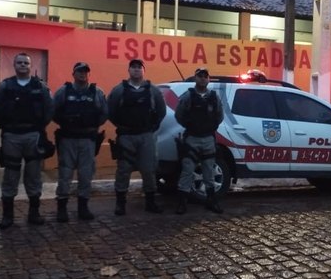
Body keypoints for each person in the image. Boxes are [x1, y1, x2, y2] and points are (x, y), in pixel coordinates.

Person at [0, 52, 54, 229]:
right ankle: (8, 216)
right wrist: (8, 127)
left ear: (30, 65)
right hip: (12, 136)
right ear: (14, 65)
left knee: (33, 175)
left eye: (26, 63)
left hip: (33, 135)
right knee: (11, 175)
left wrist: (39, 127)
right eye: (19, 63)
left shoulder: (40, 86)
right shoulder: (5, 86)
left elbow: (49, 109)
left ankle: (34, 213)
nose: (23, 65)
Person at [107, 59, 167, 215]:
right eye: (133, 67)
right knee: (123, 170)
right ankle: (120, 203)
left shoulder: (153, 90)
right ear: (128, 70)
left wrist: (151, 128)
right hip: (126, 136)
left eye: (139, 67)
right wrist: (122, 127)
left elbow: (161, 112)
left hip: (146, 136)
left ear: (144, 70)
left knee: (148, 170)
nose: (136, 70)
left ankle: (150, 202)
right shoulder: (119, 90)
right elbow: (111, 112)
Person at [52, 62, 108, 222]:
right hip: (68, 139)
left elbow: (104, 113)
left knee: (86, 174)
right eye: (79, 71)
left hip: (87, 140)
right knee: (65, 174)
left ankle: (83, 207)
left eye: (85, 71)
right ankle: (61, 208)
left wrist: (91, 125)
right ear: (73, 73)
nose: (82, 74)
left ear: (89, 74)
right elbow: (53, 112)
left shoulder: (97, 92)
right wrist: (68, 123)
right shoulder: (63, 91)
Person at [173, 67, 224, 215]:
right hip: (192, 139)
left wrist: (209, 127)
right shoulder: (188, 97)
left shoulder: (214, 97)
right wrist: (191, 126)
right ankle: (182, 203)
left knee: (209, 172)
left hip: (208, 138)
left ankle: (211, 201)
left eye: (205, 76)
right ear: (195, 78)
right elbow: (179, 115)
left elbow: (219, 116)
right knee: (187, 171)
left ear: (208, 79)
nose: (202, 78)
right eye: (200, 76)